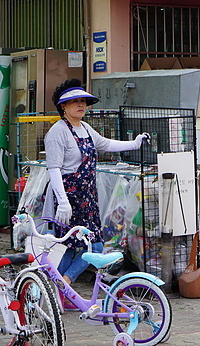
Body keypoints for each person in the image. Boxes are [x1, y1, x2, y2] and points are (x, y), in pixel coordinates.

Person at [45, 78, 150, 288]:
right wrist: (63, 201)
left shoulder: (85, 128)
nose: (81, 105)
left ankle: (58, 287)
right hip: (70, 198)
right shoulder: (57, 132)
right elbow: (54, 169)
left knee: (84, 245)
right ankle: (60, 286)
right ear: (63, 106)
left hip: (88, 198)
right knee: (80, 246)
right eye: (75, 101)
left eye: (83, 101)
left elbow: (105, 144)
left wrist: (134, 143)